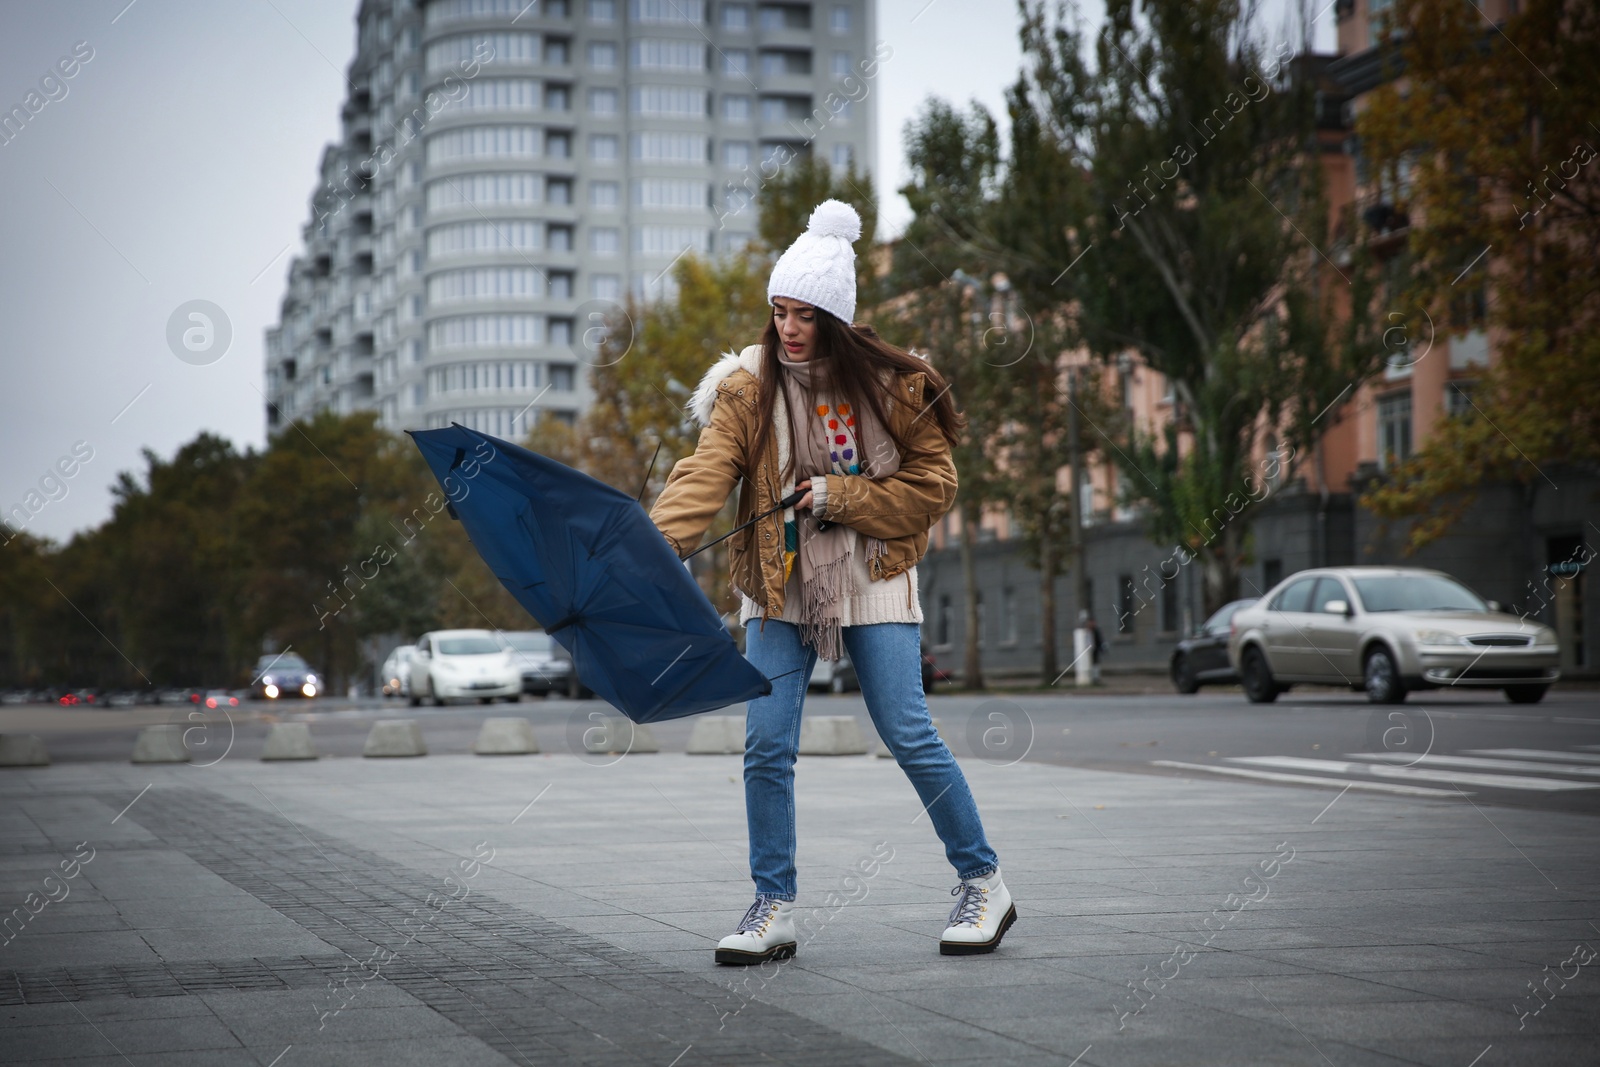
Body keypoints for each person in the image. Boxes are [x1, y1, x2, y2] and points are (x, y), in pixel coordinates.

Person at [649, 201, 1015, 965]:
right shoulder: (748, 386)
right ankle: (772, 905)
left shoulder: (890, 385)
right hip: (779, 584)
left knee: (907, 731)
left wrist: (840, 495)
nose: (787, 328)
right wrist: (653, 547)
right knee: (765, 743)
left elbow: (934, 487)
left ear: (836, 320)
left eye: (804, 314)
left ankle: (983, 881)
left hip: (873, 571)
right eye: (779, 310)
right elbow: (706, 473)